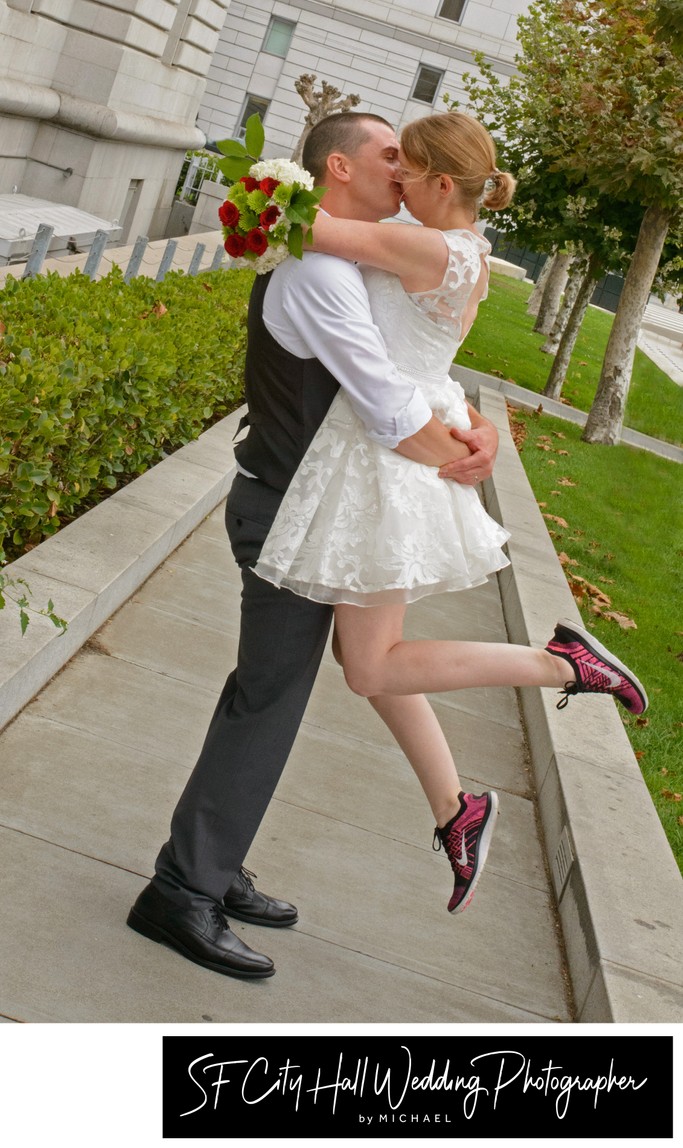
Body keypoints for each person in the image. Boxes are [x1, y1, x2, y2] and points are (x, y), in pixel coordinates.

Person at [127, 111, 502, 978]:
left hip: (305, 510)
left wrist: (474, 424)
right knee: (265, 701)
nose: (400, 170)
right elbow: (392, 412)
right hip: (286, 509)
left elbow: (417, 371)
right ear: (339, 167)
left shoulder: (346, 261)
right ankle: (182, 891)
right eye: (387, 156)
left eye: (410, 161)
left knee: (278, 696)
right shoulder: (323, 276)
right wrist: (463, 460)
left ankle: (211, 866)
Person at [252, 111, 649, 915]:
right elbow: (426, 357)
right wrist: (472, 426)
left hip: (381, 461)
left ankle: (561, 664)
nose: (391, 182)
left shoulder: (429, 247)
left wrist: (275, 182)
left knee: (369, 665)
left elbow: (309, 227)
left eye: (404, 171)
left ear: (440, 184)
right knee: (368, 658)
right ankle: (456, 808)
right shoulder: (459, 250)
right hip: (391, 444)